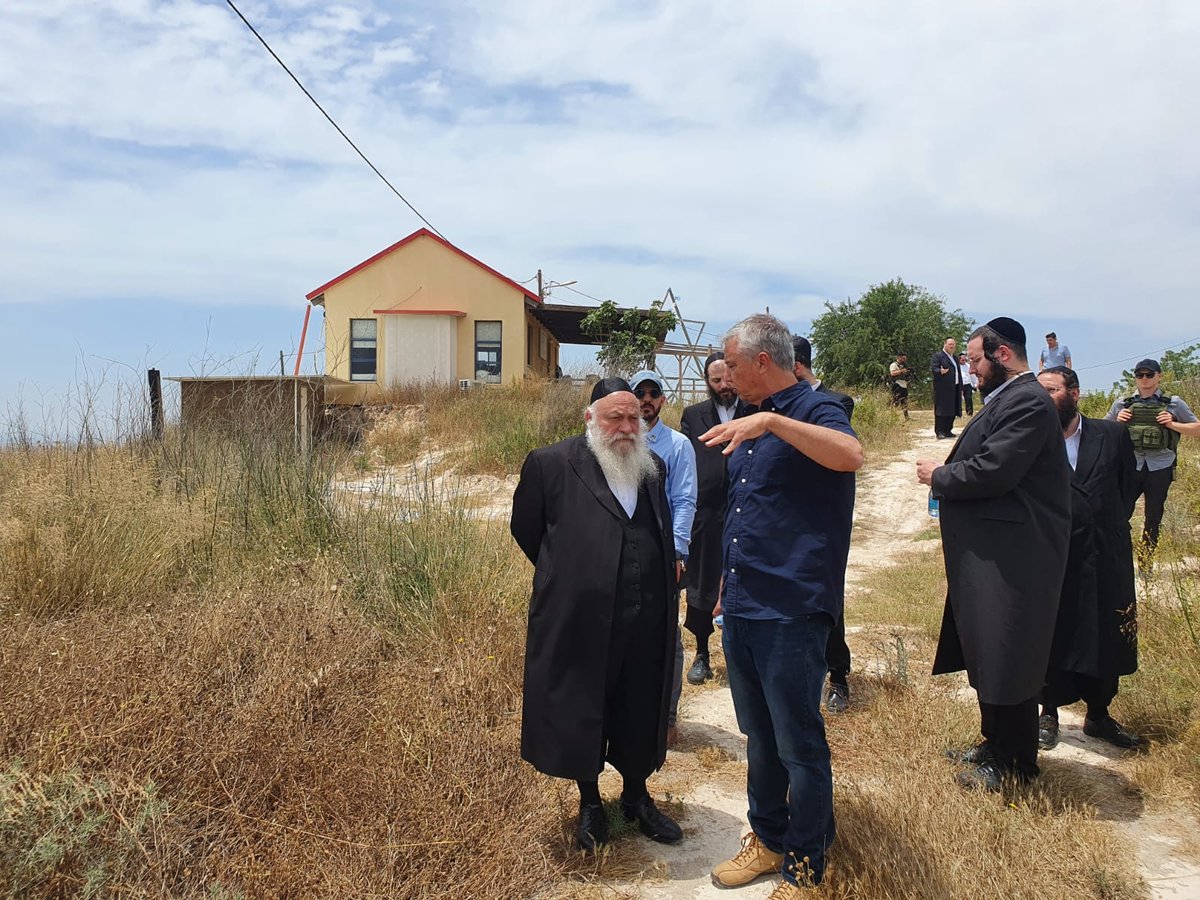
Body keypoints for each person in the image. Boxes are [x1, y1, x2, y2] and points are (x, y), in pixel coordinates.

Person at [702, 314, 862, 895]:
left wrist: (773, 420)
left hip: (792, 609)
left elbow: (848, 455)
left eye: (734, 367)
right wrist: (725, 582)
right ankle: (769, 839)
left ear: (763, 362)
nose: (726, 377)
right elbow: (745, 511)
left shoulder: (815, 409)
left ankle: (807, 857)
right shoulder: (747, 419)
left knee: (797, 740)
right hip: (744, 603)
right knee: (760, 736)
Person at [510, 378, 683, 852]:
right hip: (580, 618)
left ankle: (636, 797)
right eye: (616, 418)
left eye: (633, 418)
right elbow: (528, 530)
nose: (627, 427)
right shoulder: (550, 464)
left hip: (645, 617)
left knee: (639, 703)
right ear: (591, 419)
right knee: (583, 703)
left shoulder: (655, 468)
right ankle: (590, 802)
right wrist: (571, 575)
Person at [917, 317, 1071, 791]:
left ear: (1002, 355)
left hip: (1013, 555)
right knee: (988, 647)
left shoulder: (1026, 400)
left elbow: (995, 470)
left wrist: (939, 476)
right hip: (991, 551)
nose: (971, 369)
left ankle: (1015, 762)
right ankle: (994, 741)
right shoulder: (1009, 397)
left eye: (976, 359)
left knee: (1010, 653)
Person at [1036, 366, 1141, 751]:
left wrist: (1100, 524)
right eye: (1039, 392)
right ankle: (1048, 713)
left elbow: (1127, 489)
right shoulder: (1031, 440)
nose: (1044, 398)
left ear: (1074, 393)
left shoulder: (1111, 434)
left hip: (1106, 552)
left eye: (1051, 390)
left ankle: (1099, 714)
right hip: (1054, 556)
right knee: (1053, 630)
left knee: (1107, 632)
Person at [630, 369, 697, 748]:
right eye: (640, 392)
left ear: (663, 400)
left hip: (663, 555)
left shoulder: (677, 445)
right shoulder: (620, 440)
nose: (647, 399)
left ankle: (668, 717)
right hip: (626, 555)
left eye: (654, 393)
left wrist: (678, 553)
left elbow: (685, 500)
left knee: (667, 636)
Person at [793, 335, 855, 714]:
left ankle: (839, 676)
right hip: (789, 514)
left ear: (795, 365)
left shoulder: (836, 402)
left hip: (822, 516)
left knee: (829, 597)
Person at [680, 353, 739, 686]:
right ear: (708, 382)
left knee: (743, 576)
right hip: (705, 513)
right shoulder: (693, 416)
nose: (724, 386)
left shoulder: (754, 411)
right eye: (716, 381)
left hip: (744, 510)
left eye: (728, 379)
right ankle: (702, 652)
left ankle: (740, 655)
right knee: (701, 581)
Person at [1104, 358, 1199, 554]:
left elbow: (1197, 429)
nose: (1144, 378)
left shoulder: (1173, 403)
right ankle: (1117, 554)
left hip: (1160, 466)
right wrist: (1116, 421)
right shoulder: (1123, 403)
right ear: (1135, 377)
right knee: (1120, 512)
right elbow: (1100, 432)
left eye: (1149, 374)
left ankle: (1146, 559)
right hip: (1131, 465)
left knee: (1153, 515)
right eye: (1140, 375)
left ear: (1159, 376)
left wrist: (1172, 424)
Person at [930, 338, 963, 439]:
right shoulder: (938, 356)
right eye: (950, 344)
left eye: (953, 344)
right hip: (943, 388)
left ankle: (948, 430)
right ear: (945, 344)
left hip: (955, 387)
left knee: (953, 409)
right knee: (942, 410)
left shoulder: (955, 358)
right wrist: (940, 371)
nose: (952, 346)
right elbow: (934, 368)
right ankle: (939, 431)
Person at [889, 352, 911, 418]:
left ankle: (906, 417)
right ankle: (892, 417)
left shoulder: (904, 366)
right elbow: (892, 373)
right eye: (903, 358)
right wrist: (901, 371)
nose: (904, 360)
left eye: (905, 359)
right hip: (897, 384)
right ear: (899, 357)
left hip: (904, 385)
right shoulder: (894, 365)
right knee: (895, 402)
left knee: (904, 402)